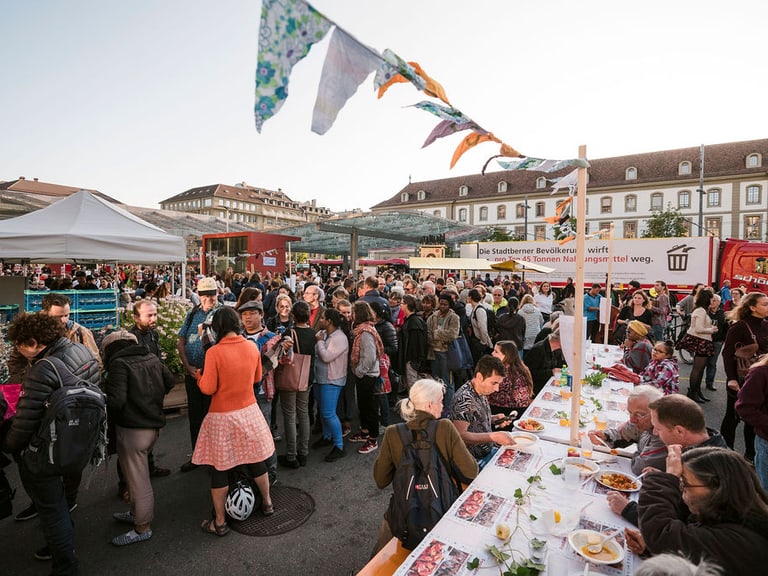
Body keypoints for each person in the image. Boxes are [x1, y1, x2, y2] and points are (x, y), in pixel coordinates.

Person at [2, 313, 100, 574]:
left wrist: (10, 446)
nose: (19, 351)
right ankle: (66, 543)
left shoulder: (44, 367)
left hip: (48, 447)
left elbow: (25, 422)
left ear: (34, 342)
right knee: (64, 501)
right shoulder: (80, 349)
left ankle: (65, 565)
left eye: (20, 345)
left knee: (52, 510)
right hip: (78, 440)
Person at [192, 307, 275, 536]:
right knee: (256, 459)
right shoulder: (250, 346)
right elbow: (258, 377)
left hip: (222, 417)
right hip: (249, 410)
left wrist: (199, 376)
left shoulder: (214, 353)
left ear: (217, 328)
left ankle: (219, 522)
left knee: (221, 468)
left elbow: (209, 388)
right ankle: (267, 503)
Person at [371, 379, 479, 554]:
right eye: (441, 401)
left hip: (404, 517)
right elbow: (471, 471)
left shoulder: (393, 432)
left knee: (382, 547)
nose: (443, 407)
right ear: (430, 405)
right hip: (441, 513)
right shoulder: (445, 427)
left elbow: (380, 480)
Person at [628, 446, 768, 576]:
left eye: (685, 484)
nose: (681, 489)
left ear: (717, 489)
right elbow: (698, 553)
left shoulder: (740, 542)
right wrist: (655, 550)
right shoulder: (731, 517)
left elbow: (660, 533)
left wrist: (667, 479)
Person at [102, 329, 175, 546]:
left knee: (138, 481)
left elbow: (115, 402)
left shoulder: (118, 365)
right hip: (152, 425)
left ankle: (142, 526)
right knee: (137, 477)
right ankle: (135, 513)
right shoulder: (150, 357)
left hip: (133, 430)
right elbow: (169, 381)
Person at [177, 276, 220, 472]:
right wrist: (187, 367)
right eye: (204, 294)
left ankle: (213, 459)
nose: (208, 298)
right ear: (199, 295)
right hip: (193, 374)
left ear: (217, 294)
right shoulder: (193, 313)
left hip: (213, 376)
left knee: (212, 417)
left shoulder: (221, 315)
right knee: (195, 417)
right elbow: (181, 341)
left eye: (212, 294)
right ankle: (197, 456)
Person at [239, 300, 284, 481]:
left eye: (251, 313)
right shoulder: (238, 337)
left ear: (261, 315)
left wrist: (285, 350)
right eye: (244, 314)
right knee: (245, 433)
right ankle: (252, 470)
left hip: (263, 392)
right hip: (242, 393)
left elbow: (286, 361)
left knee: (263, 432)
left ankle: (270, 469)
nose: (247, 317)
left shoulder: (271, 337)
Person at [720, 291, 768, 463]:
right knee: (733, 416)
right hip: (740, 378)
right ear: (752, 307)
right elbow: (727, 354)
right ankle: (724, 451)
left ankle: (750, 455)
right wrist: (731, 378)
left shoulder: (765, 325)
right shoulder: (739, 326)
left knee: (753, 420)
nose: (767, 307)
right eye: (764, 304)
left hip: (760, 379)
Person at [449, 355, 517, 469]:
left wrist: (493, 419)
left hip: (487, 451)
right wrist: (493, 436)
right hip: (473, 460)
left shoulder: (479, 390)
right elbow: (460, 435)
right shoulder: (464, 399)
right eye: (494, 383)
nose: (497, 389)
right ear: (480, 377)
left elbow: (472, 419)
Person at [589, 385, 666, 476]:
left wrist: (637, 454)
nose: (632, 420)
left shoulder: (664, 435)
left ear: (655, 412)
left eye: (639, 415)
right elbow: (621, 434)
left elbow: (639, 468)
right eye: (630, 412)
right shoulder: (642, 422)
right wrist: (604, 436)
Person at [277, 301, 316, 468]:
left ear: (293, 315)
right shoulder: (313, 333)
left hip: (290, 377)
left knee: (290, 416)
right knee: (303, 414)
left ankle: (291, 455)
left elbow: (280, 354)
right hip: (307, 378)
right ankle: (304, 452)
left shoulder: (289, 333)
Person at [348, 301, 386, 455]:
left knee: (370, 407)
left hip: (367, 375)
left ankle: (373, 438)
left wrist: (359, 371)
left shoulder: (365, 333)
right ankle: (364, 432)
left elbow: (370, 357)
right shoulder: (362, 330)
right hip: (365, 374)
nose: (351, 315)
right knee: (363, 405)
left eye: (353, 312)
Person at [313, 309, 349, 462]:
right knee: (322, 411)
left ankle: (339, 446)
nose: (319, 319)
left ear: (329, 321)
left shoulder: (339, 338)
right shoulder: (325, 334)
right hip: (320, 378)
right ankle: (327, 437)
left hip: (332, 380)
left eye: (322, 318)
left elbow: (327, 357)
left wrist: (320, 341)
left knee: (328, 413)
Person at [676, 290, 718, 403]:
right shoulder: (701, 311)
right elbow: (699, 329)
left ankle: (697, 391)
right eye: (711, 299)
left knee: (699, 369)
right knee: (697, 369)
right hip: (701, 340)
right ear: (707, 299)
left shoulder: (701, 310)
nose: (712, 301)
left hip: (702, 340)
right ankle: (692, 392)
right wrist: (712, 330)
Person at [649, 394, 727, 450]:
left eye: (658, 429)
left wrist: (672, 473)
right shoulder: (711, 446)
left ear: (679, 431)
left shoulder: (700, 468)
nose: (654, 432)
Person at [426, 294, 460, 414]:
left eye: (445, 304)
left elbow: (452, 334)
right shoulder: (433, 316)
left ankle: (449, 408)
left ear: (450, 305)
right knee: (436, 380)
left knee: (448, 382)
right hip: (434, 352)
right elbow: (428, 332)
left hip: (447, 353)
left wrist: (437, 334)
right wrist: (436, 336)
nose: (442, 306)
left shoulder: (454, 317)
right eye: (441, 303)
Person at [488, 340, 533, 420]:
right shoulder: (523, 369)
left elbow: (486, 394)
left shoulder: (499, 372)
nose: (492, 354)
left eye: (496, 352)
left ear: (506, 355)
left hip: (502, 413)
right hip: (523, 411)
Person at [399, 295, 428, 391]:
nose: (400, 305)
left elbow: (417, 344)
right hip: (409, 359)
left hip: (412, 360)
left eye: (402, 303)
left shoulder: (414, 322)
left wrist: (414, 361)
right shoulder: (411, 320)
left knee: (413, 386)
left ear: (407, 305)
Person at [524, 329, 565, 394]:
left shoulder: (556, 350)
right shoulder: (538, 350)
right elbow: (529, 373)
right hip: (536, 389)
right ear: (561, 341)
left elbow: (560, 365)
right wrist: (551, 372)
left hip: (548, 385)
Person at [705, 294, 728, 392]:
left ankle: (709, 383)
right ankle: (696, 384)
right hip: (705, 340)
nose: (712, 302)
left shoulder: (723, 314)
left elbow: (726, 328)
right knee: (701, 363)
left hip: (717, 342)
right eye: (711, 300)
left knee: (712, 363)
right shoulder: (705, 312)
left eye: (714, 300)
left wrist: (722, 340)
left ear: (719, 302)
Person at [467, 288, 494, 363]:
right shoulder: (475, 309)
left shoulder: (479, 310)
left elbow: (483, 328)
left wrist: (483, 343)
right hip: (478, 341)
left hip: (481, 343)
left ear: (471, 297)